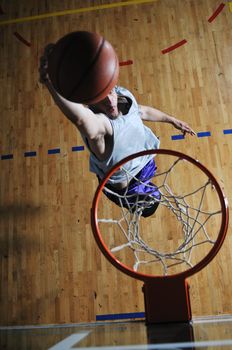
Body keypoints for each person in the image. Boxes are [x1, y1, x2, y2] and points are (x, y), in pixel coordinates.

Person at [39, 45, 196, 217]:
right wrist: (50, 82)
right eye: (101, 98)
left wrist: (171, 120)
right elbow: (81, 119)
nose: (109, 100)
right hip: (126, 188)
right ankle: (136, 201)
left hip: (143, 165)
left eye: (110, 92)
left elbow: (141, 111)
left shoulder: (122, 95)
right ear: (91, 104)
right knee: (150, 208)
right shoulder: (101, 127)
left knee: (154, 201)